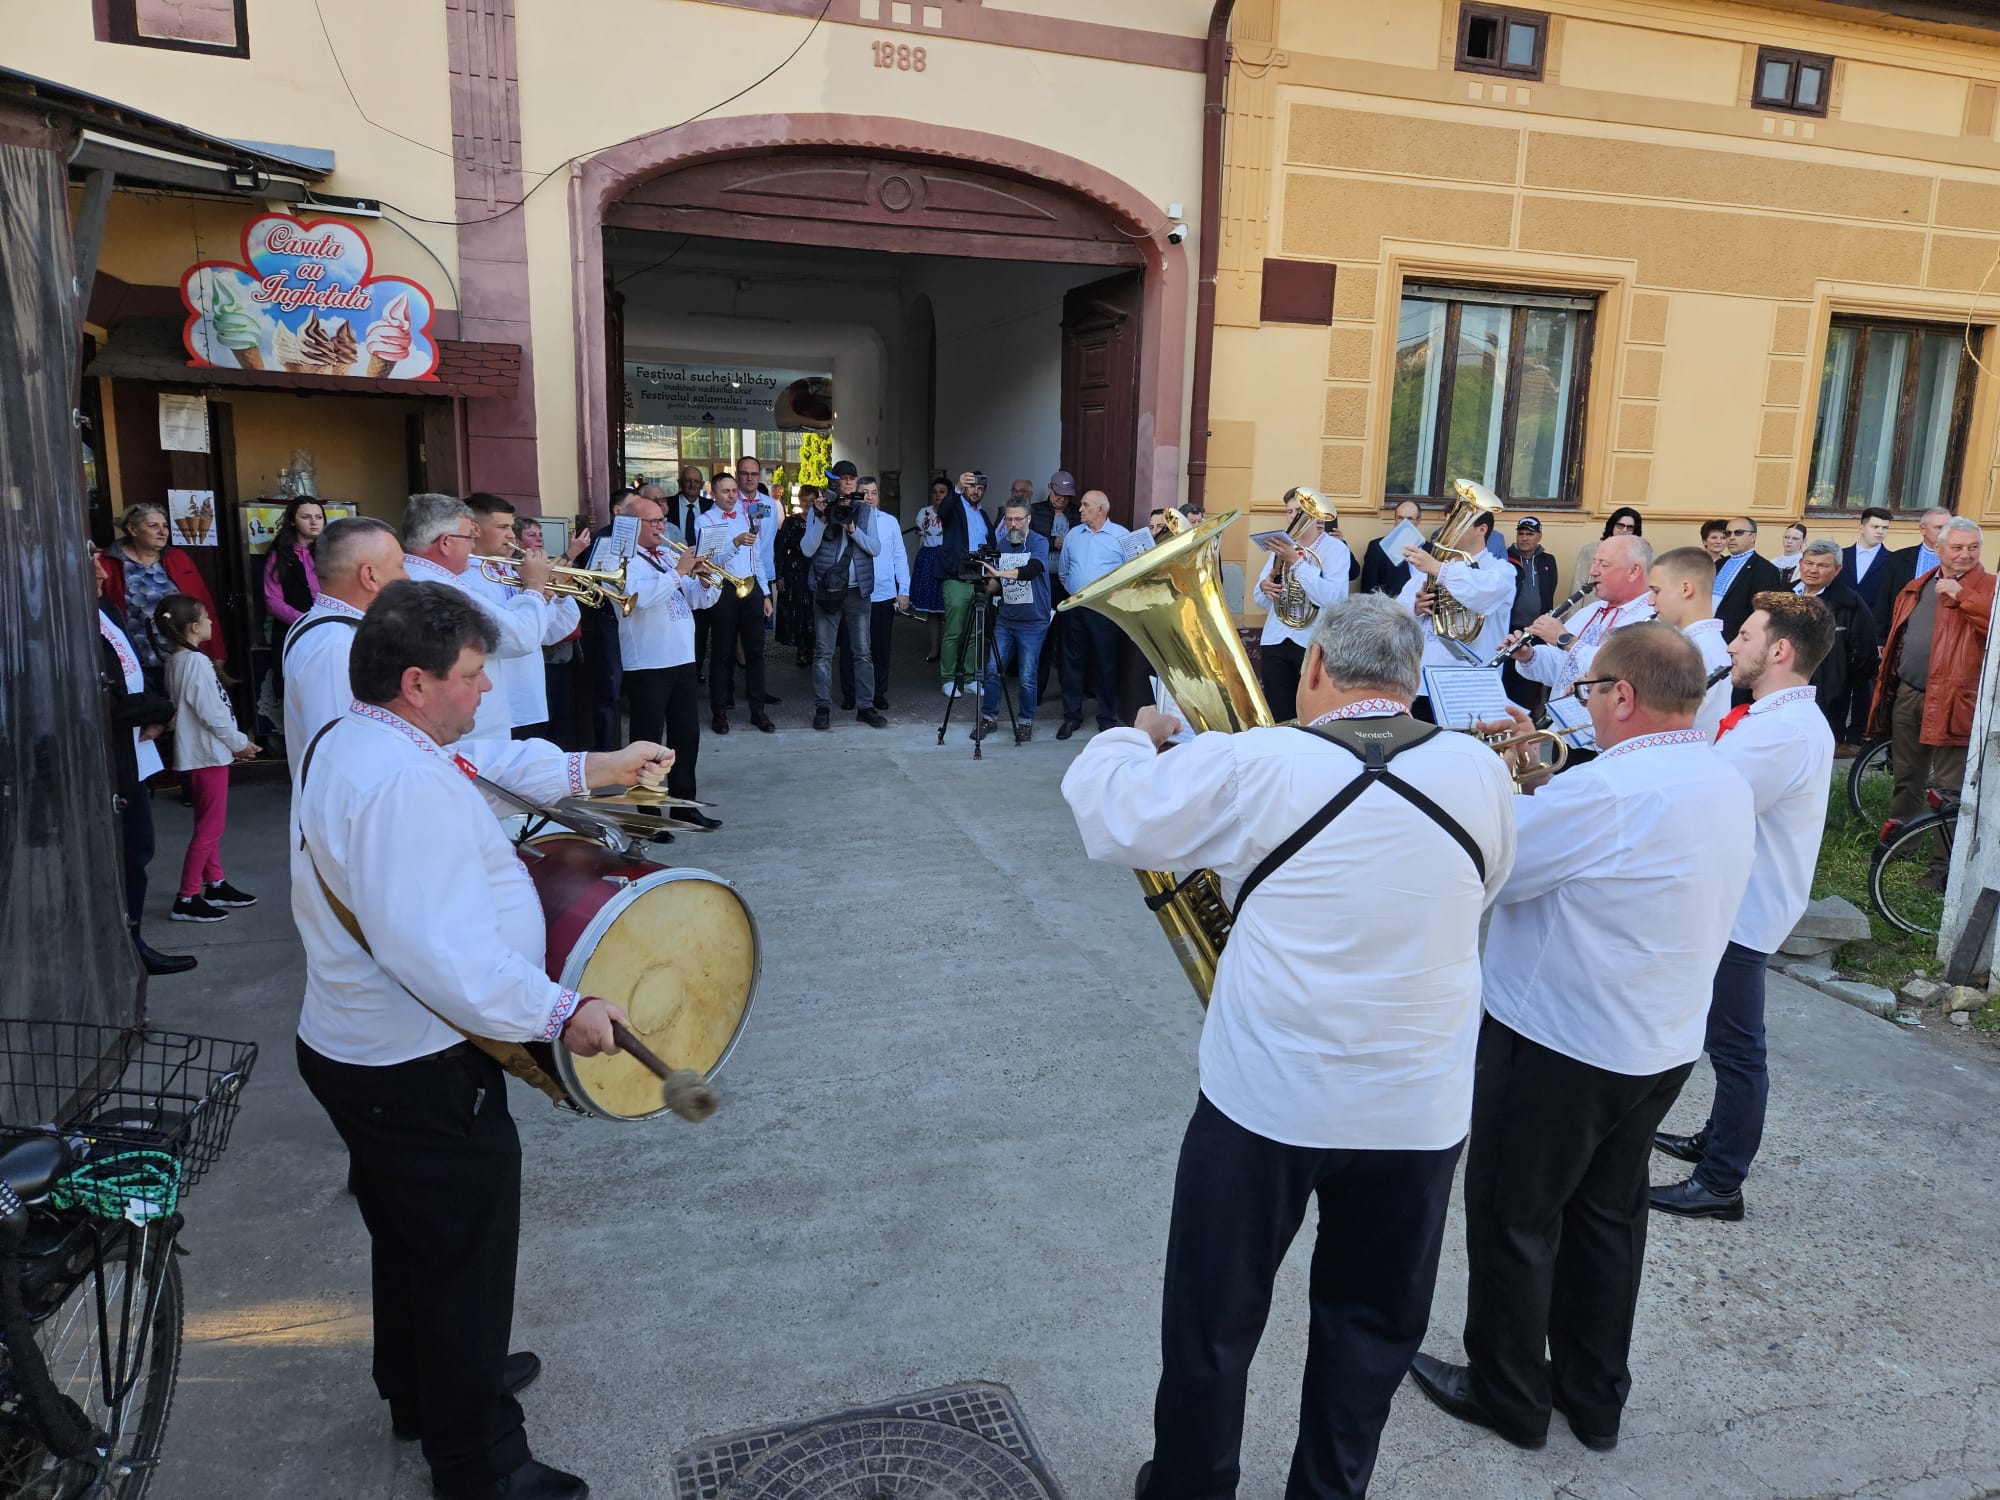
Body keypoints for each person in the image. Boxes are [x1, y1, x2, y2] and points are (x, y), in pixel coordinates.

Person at [1062, 595, 1516, 1500]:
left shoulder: (1259, 759)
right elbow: (1488, 883)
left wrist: (1135, 734)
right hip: (1417, 1105)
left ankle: (1190, 1488)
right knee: (1371, 1327)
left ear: (1313, 668)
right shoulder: (1479, 768)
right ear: (1413, 679)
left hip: (1268, 1097)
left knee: (1212, 1318)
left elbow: (1109, 816)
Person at [292, 580, 668, 1500]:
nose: (487, 687)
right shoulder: (400, 785)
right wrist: (559, 1011)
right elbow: (440, 956)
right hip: (415, 1063)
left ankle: (421, 1389)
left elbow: (485, 764)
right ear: (416, 683)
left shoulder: (359, 736)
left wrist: (595, 767)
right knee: (465, 1258)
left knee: (410, 1237)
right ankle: (481, 1465)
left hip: (360, 1049)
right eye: (471, 674)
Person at [1409, 624, 1754, 1455]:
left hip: (1560, 1043)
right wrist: (1532, 779)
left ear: (1623, 696)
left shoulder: (1605, 792)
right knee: (1608, 1218)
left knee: (1514, 1216)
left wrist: (1490, 778)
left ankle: (1507, 1394)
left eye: (1591, 690)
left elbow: (1492, 870)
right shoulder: (1720, 775)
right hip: (1661, 1044)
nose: (1585, 705)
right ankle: (1593, 1397)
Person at [1651, 593, 1836, 1221]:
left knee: (1736, 1050)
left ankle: (1721, 1182)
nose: (1732, 645)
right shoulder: (1773, 719)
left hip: (1744, 909)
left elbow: (1707, 801)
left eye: (1747, 636)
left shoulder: (1782, 731)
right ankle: (1715, 1140)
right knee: (1724, 1041)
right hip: (1738, 900)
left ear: (1779, 651)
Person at [1867, 517, 1992, 869]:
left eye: (1973, 547)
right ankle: (1901, 847)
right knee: (1907, 777)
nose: (1966, 554)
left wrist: (1962, 596)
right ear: (1938, 548)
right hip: (1910, 693)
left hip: (1957, 700)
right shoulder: (1917, 586)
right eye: (1957, 547)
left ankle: (1943, 867)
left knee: (1949, 788)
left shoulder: (1990, 587)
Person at [93, 541, 192, 976]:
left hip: (136, 754)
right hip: (107, 759)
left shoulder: (107, 611)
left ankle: (132, 941)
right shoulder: (69, 625)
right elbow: (103, 702)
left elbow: (134, 672)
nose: (102, 572)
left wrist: (157, 706)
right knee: (124, 855)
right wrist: (158, 709)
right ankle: (121, 949)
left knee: (138, 850)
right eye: (91, 564)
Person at [402, 493, 558, 740]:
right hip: (468, 728)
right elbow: (520, 637)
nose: (473, 544)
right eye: (468, 537)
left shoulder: (421, 577)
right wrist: (535, 586)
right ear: (445, 542)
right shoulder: (439, 587)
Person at [619, 493, 724, 824]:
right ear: (633, 525)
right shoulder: (622, 561)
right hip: (648, 663)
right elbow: (640, 599)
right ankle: (648, 816)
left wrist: (706, 579)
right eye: (653, 522)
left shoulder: (666, 555)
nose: (661, 527)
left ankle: (684, 807)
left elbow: (697, 600)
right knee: (648, 743)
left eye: (661, 520)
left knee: (686, 738)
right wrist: (679, 572)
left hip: (682, 659)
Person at [156, 594, 260, 923]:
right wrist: (239, 743)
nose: (212, 622)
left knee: (207, 825)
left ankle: (215, 883)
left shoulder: (177, 660)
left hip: (200, 754)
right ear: (193, 627)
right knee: (210, 829)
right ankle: (187, 897)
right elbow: (212, 713)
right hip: (207, 755)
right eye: (206, 618)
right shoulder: (196, 662)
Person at [282, 517, 410, 770]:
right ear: (370, 576)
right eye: (400, 566)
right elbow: (339, 753)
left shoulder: (319, 625)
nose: (407, 577)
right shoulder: (337, 645)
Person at [1511, 536, 1657, 755]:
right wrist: (1529, 656)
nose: (1593, 571)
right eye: (1594, 562)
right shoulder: (1590, 610)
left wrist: (1567, 640)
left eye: (1603, 565)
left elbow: (1622, 673)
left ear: (1634, 571)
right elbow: (1562, 668)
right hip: (1565, 735)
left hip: (1607, 745)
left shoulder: (1652, 616)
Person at [1254, 486, 1351, 721]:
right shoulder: (1281, 548)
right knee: (1278, 713)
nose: (1292, 517)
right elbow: (1260, 600)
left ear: (1316, 516)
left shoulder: (1335, 549)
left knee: (1310, 714)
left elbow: (1334, 598)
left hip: (1312, 641)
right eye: (1289, 511)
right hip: (1276, 638)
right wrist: (1265, 588)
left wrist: (1296, 562)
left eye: (1299, 511)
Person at [1396, 511, 1514, 696]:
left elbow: (1482, 593)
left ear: (1482, 530)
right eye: (1448, 523)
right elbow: (1396, 611)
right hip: (1423, 682)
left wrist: (1438, 569)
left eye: (1457, 524)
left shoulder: (1501, 570)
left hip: (1469, 686)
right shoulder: (1430, 569)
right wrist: (1416, 607)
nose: (1447, 530)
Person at [101, 501, 223, 676]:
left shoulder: (178, 558)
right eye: (153, 526)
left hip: (182, 659)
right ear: (133, 529)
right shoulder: (108, 562)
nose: (163, 531)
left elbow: (203, 605)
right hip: (133, 662)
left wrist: (216, 652)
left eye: (165, 526)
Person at [802, 482, 887, 730]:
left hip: (857, 592)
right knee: (823, 652)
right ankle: (823, 708)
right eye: (843, 482)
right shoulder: (818, 511)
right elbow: (807, 550)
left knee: (862, 652)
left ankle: (866, 707)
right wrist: (821, 519)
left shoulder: (865, 512)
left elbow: (875, 548)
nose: (845, 501)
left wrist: (852, 528)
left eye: (851, 480)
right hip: (826, 592)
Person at [696, 471, 774, 734]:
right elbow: (707, 561)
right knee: (721, 653)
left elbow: (756, 558)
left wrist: (765, 593)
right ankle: (719, 712)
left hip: (750, 587)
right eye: (725, 491)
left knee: (756, 652)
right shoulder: (705, 521)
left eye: (733, 491)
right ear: (713, 493)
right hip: (723, 590)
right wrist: (735, 543)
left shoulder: (746, 516)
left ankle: (758, 710)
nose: (731, 496)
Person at [974, 497, 1053, 742]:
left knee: (1027, 676)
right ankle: (989, 718)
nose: (1013, 524)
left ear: (1028, 519)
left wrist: (999, 572)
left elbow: (1032, 570)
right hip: (1006, 619)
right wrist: (984, 583)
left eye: (1018, 519)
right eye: (1009, 519)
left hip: (1034, 621)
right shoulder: (1002, 544)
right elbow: (998, 584)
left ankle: (1025, 722)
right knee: (992, 670)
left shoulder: (1039, 542)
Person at [506, 516, 590, 743]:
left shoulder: (545, 562)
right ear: (517, 540)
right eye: (531, 535)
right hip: (541, 657)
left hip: (562, 650)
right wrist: (570, 554)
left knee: (562, 717)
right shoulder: (516, 567)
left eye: (541, 534)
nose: (539, 539)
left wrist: (561, 593)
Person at [1055, 489, 1131, 739]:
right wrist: (1076, 591)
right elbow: (1064, 572)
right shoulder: (1073, 535)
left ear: (1100, 509)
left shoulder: (1121, 536)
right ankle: (1071, 717)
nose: (1080, 509)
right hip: (1075, 608)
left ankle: (1107, 718)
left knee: (1106, 664)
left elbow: (1133, 573)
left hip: (1105, 610)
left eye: (1085, 505)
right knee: (1071, 664)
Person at [1793, 538, 1879, 748]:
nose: (1813, 570)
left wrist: (1840, 680)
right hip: (1785, 687)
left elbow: (1865, 655)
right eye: (1809, 563)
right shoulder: (1784, 595)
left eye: (1823, 565)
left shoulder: (1849, 603)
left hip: (1827, 695)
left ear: (1837, 570)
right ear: (1800, 564)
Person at [1645, 546, 1733, 738]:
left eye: (1656, 591)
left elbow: (1658, 721)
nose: (1650, 601)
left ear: (1686, 589)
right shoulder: (1706, 643)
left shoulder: (1693, 650)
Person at [839, 477, 908, 714]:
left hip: (882, 595)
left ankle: (878, 693)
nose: (869, 497)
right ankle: (850, 693)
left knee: (880, 648)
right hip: (853, 593)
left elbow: (899, 556)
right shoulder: (846, 519)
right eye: (865, 492)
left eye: (874, 492)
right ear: (856, 494)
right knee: (851, 646)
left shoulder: (889, 522)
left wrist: (904, 590)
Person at [937, 469, 992, 692]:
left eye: (980, 488)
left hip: (979, 578)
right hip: (956, 576)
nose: (975, 491)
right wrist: (957, 488)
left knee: (976, 632)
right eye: (971, 487)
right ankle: (948, 679)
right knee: (953, 631)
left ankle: (970, 679)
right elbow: (943, 511)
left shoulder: (983, 515)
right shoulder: (955, 505)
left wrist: (992, 571)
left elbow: (990, 543)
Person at [1870, 505, 1953, 641]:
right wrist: (1879, 638)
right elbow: (1883, 600)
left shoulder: (1959, 561)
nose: (1944, 532)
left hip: (1943, 635)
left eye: (1948, 528)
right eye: (1938, 527)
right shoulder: (1898, 559)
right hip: (1902, 633)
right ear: (1923, 529)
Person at [1503, 517, 1559, 710]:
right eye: (1521, 533)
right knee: (1507, 677)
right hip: (1509, 629)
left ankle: (1526, 719)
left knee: (1531, 681)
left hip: (1536, 631)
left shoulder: (1548, 561)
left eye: (1530, 534)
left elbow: (1550, 590)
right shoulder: (1505, 559)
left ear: (1539, 536)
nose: (1524, 538)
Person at [1713, 517, 1787, 643]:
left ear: (1753, 537)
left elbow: (1764, 612)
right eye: (1728, 533)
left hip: (1736, 640)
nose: (1731, 537)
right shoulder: (1719, 563)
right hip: (1710, 634)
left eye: (1738, 532)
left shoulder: (1765, 569)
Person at [262, 497, 326, 630]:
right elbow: (272, 601)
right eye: (306, 517)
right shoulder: (280, 555)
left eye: (319, 517)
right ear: (292, 521)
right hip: (294, 628)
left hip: (330, 625)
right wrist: (305, 621)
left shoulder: (331, 551)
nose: (314, 522)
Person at [777, 484, 819, 667]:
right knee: (799, 613)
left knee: (814, 613)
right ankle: (801, 649)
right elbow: (780, 549)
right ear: (800, 501)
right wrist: (779, 575)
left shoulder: (822, 520)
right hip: (795, 573)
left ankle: (813, 648)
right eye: (805, 500)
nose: (808, 504)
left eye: (812, 501)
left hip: (816, 572)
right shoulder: (791, 522)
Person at [910, 477, 949, 661]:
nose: (938, 495)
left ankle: (951, 650)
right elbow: (921, 533)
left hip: (947, 559)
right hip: (927, 559)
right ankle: (934, 649)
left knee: (949, 606)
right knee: (932, 609)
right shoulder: (923, 512)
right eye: (934, 492)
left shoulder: (954, 512)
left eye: (942, 491)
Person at [1358, 499, 1422, 598]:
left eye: (1409, 518)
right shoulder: (1377, 547)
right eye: (1400, 518)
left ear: (1418, 521)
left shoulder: (1429, 549)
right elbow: (1369, 587)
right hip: (1390, 605)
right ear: (1394, 520)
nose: (1404, 523)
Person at [1571, 507, 1642, 595]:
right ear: (1612, 526)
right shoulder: (1590, 550)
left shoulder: (1639, 554)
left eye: (1630, 527)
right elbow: (1578, 584)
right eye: (1620, 525)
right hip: (1594, 600)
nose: (1624, 530)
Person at [1840, 506, 1894, 608]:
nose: (1880, 531)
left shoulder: (1893, 559)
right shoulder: (1840, 555)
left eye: (1885, 528)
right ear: (1861, 529)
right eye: (1875, 527)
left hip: (1874, 616)